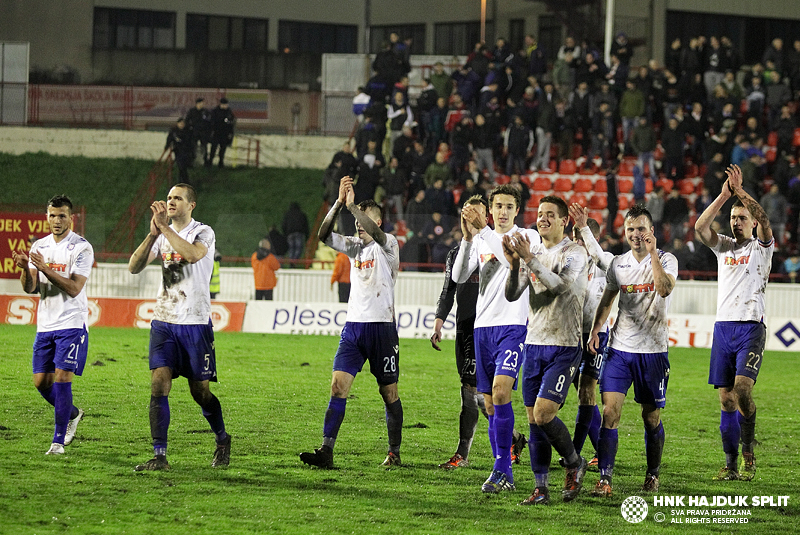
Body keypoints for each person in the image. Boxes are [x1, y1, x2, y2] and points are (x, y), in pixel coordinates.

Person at [300, 176, 402, 468]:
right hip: (354, 328)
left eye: (366, 220)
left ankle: (394, 452)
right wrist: (338, 204)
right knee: (337, 386)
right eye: (358, 220)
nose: (359, 225)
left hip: (382, 327)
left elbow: (373, 231)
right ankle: (326, 450)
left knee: (389, 392)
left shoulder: (388, 244)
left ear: (378, 222)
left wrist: (354, 207)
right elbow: (323, 235)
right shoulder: (355, 247)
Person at [127, 183, 231, 470]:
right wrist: (152, 234)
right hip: (164, 321)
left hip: (195, 323)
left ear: (191, 205)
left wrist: (164, 229)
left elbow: (193, 255)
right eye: (169, 197)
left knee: (200, 393)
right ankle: (159, 456)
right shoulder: (161, 235)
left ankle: (222, 439)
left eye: (178, 198)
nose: (171, 202)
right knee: (159, 383)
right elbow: (134, 266)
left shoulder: (203, 232)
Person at [452, 185, 542, 494]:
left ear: (517, 211)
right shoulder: (480, 239)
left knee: (501, 393)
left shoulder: (526, 236)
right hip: (483, 328)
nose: (502, 211)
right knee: (490, 405)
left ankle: (501, 470)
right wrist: (468, 237)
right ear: (491, 210)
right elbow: (459, 275)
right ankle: (502, 470)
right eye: (498, 206)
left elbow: (511, 260)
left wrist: (483, 231)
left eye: (508, 206)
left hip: (512, 327)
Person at [503, 196, 589, 505]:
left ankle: (573, 462)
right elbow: (513, 294)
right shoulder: (533, 251)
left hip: (565, 345)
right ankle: (540, 488)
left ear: (564, 220)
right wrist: (515, 265)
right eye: (540, 214)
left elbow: (560, 286)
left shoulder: (575, 253)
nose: (542, 219)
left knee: (543, 413)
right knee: (534, 421)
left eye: (550, 214)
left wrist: (528, 260)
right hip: (535, 343)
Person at [430, 195, 527, 470]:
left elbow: (511, 265)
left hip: (486, 328)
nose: (474, 218)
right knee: (478, 394)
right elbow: (450, 287)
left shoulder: (498, 243)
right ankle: (514, 438)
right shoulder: (462, 250)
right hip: (465, 326)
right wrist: (440, 320)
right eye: (469, 213)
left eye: (480, 213)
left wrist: (481, 233)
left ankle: (463, 453)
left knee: (475, 393)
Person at [589, 204, 678, 496]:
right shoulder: (618, 263)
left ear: (651, 231)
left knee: (650, 417)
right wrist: (596, 329)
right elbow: (607, 299)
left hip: (652, 352)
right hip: (619, 350)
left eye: (641, 228)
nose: (636, 234)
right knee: (609, 412)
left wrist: (653, 255)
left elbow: (664, 289)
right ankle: (605, 479)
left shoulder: (667, 259)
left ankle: (652, 474)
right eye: (630, 229)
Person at [694, 165, 774, 481]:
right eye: (733, 218)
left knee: (742, 389)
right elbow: (700, 227)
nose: (736, 222)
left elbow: (766, 221)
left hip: (751, 327)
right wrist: (723, 196)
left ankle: (748, 453)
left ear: (752, 223)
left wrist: (740, 193)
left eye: (741, 218)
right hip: (723, 328)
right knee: (726, 399)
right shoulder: (724, 247)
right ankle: (729, 464)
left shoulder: (762, 248)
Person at [12, 195, 93, 455]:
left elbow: (74, 287)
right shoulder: (40, 246)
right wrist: (26, 268)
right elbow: (30, 288)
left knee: (61, 379)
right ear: (46, 217)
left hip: (71, 323)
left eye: (61, 216)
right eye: (52, 215)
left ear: (71, 218)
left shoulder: (81, 247)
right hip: (45, 324)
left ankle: (57, 442)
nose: (56, 221)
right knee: (41, 382)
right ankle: (72, 414)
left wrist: (45, 269)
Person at [567, 204, 615, 468]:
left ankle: (573, 453)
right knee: (582, 395)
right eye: (574, 237)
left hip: (597, 335)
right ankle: (600, 449)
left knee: (587, 392)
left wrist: (585, 232)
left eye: (581, 237)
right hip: (573, 335)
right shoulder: (573, 262)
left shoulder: (603, 260)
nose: (576, 242)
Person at [185, 98, 212, 167]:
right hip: (194, 132)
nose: (201, 105)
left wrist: (208, 131)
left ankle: (206, 162)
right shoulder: (192, 111)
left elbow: (209, 122)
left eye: (202, 103)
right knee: (193, 147)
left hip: (203, 133)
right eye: (200, 103)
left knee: (204, 147)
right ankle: (191, 162)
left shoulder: (205, 112)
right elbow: (187, 120)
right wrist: (190, 128)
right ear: (197, 104)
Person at [165, 117, 193, 183]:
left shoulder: (187, 131)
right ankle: (184, 181)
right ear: (177, 124)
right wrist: (166, 146)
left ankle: (183, 181)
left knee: (183, 167)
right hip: (178, 151)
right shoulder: (174, 131)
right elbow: (169, 139)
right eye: (180, 123)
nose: (182, 125)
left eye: (183, 123)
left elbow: (190, 142)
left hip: (186, 151)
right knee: (181, 167)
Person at [210, 98, 235, 168]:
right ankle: (210, 161)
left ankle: (221, 162)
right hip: (217, 132)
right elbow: (212, 122)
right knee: (214, 148)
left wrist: (230, 133)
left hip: (225, 133)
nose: (225, 106)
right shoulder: (215, 111)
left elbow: (231, 122)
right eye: (224, 105)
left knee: (223, 148)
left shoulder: (229, 112)